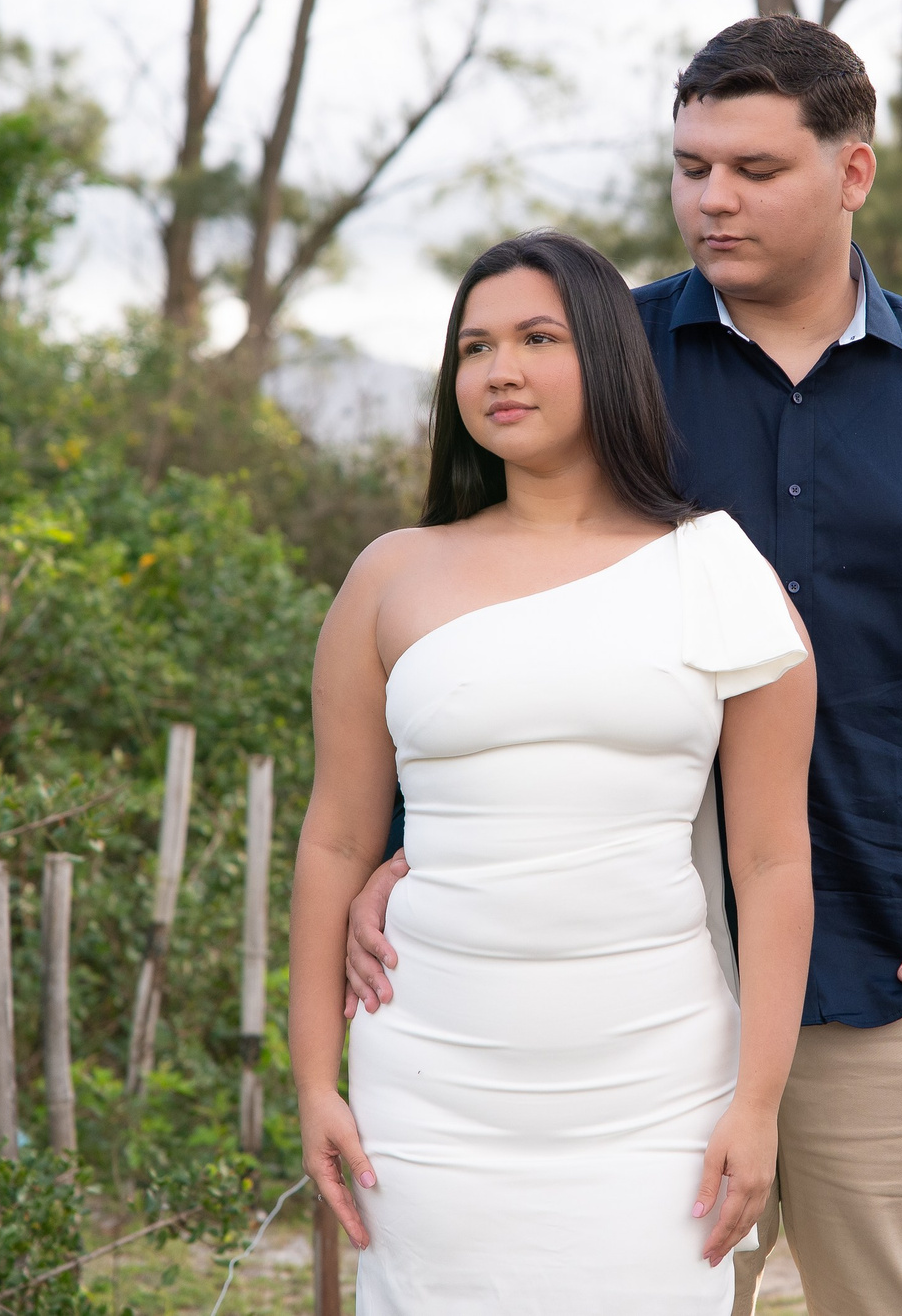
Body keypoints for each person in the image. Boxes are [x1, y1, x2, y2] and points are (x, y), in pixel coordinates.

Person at [346, 16, 902, 1314]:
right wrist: (405, 838)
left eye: (754, 168)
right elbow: (464, 615)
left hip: (898, 959)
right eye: (690, 164)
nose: (711, 198)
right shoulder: (596, 368)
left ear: (854, 170)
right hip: (626, 990)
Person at [290, 230, 820, 1314]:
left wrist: (757, 1103)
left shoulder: (714, 567)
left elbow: (771, 859)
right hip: (430, 1081)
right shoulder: (391, 576)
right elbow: (335, 841)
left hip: (656, 1081)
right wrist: (312, 1081)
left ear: (610, 362)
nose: (500, 370)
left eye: (538, 337)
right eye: (474, 346)